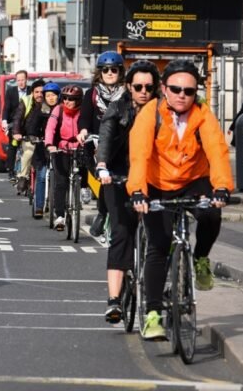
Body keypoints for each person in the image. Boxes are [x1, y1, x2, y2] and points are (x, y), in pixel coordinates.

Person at [127, 59, 233, 340]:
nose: (182, 95)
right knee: (159, 246)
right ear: (164, 89)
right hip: (156, 183)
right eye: (176, 89)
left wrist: (221, 187)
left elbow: (217, 151)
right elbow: (139, 154)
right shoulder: (150, 114)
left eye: (189, 90)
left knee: (211, 213)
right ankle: (152, 316)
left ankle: (200, 259)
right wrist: (138, 191)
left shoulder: (203, 114)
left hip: (193, 180)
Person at [94, 60, 161, 323]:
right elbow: (107, 135)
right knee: (122, 232)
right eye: (138, 86)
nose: (143, 91)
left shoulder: (163, 111)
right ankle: (114, 300)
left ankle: (161, 287)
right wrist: (102, 165)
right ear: (129, 87)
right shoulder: (117, 108)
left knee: (160, 233)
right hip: (118, 175)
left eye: (149, 86)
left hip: (152, 178)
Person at [78, 51, 126, 235]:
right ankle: (102, 212)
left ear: (120, 72)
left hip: (120, 145)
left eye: (114, 70)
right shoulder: (91, 94)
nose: (110, 73)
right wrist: (83, 131)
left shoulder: (127, 95)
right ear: (100, 72)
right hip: (97, 144)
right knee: (106, 180)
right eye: (105, 70)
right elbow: (84, 118)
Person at [45, 84, 85, 231]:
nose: (67, 101)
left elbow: (89, 125)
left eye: (72, 99)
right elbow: (50, 127)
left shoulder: (82, 111)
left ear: (78, 100)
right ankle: (60, 216)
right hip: (61, 148)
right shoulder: (58, 109)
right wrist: (50, 144)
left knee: (85, 170)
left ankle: (83, 191)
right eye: (65, 98)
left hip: (79, 146)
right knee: (61, 182)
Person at [25, 81, 61, 213]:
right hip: (42, 148)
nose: (51, 98)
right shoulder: (40, 110)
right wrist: (33, 137)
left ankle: (59, 207)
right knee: (41, 176)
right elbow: (31, 126)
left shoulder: (61, 109)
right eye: (48, 95)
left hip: (58, 148)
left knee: (60, 178)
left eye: (53, 95)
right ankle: (39, 206)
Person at [11, 79, 47, 195]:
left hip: (45, 138)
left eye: (42, 92)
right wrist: (16, 132)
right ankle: (23, 177)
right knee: (28, 152)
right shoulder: (26, 101)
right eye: (36, 92)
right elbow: (17, 118)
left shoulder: (48, 103)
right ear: (32, 93)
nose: (39, 95)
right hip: (27, 135)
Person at [3, 70, 30, 182]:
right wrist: (4, 121)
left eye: (22, 80)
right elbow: (6, 108)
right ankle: (10, 170)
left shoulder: (31, 91)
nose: (20, 82)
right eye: (18, 80)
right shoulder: (11, 91)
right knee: (13, 145)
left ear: (26, 79)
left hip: (27, 122)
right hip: (13, 123)